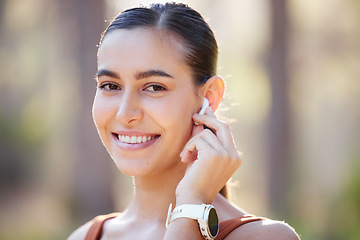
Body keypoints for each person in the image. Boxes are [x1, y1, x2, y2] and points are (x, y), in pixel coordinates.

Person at [68, 2, 300, 240]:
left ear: (209, 96)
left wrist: (191, 205)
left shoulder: (265, 237)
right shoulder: (85, 237)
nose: (125, 113)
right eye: (110, 85)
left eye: (154, 87)